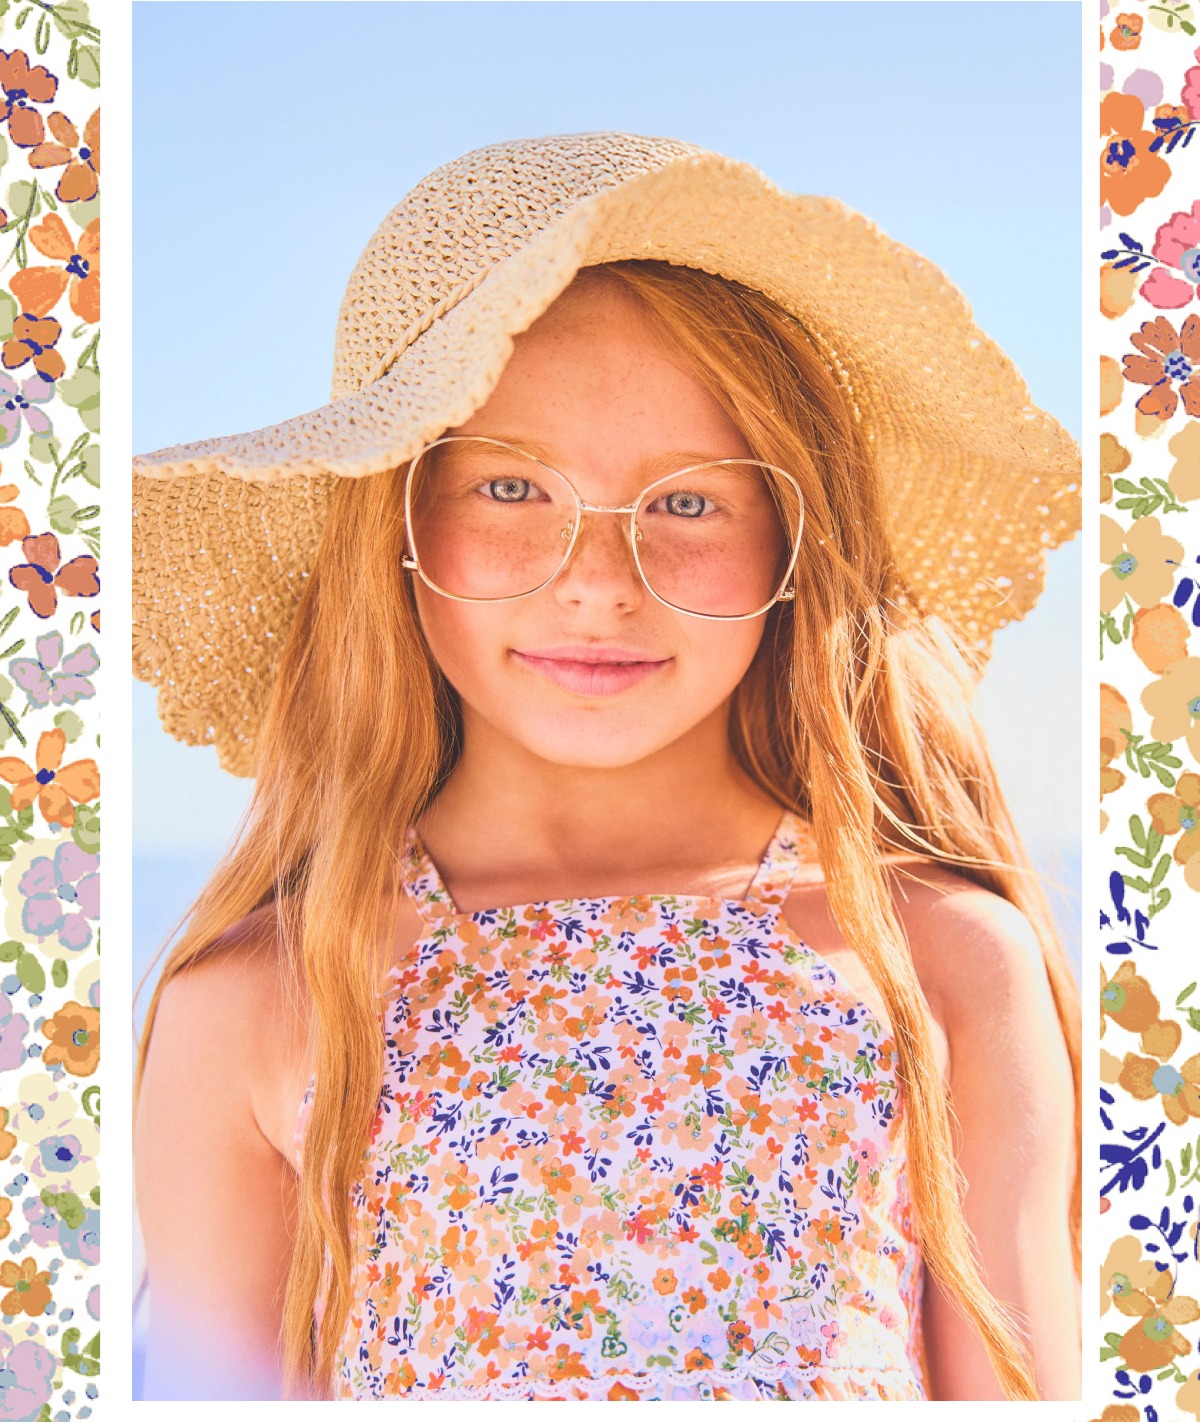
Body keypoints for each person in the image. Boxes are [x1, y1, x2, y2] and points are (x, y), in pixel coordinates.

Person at [131, 133, 1081, 1402]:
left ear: (793, 537)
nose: (596, 581)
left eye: (688, 502)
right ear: (398, 528)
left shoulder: (940, 959)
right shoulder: (263, 998)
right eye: (512, 487)